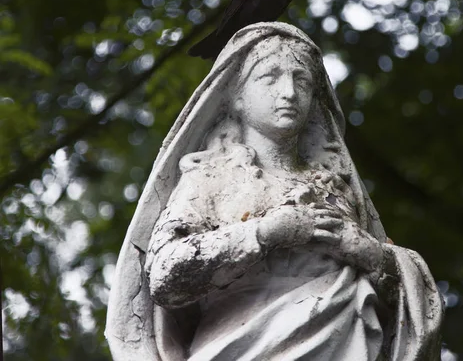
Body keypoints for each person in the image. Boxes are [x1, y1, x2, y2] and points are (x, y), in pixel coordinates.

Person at [106, 22, 443, 361]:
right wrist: (265, 232)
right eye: (269, 78)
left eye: (302, 80)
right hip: (242, 348)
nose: (289, 92)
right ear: (236, 97)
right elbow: (165, 277)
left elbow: (402, 300)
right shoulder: (210, 177)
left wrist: (365, 250)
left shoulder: (335, 189)